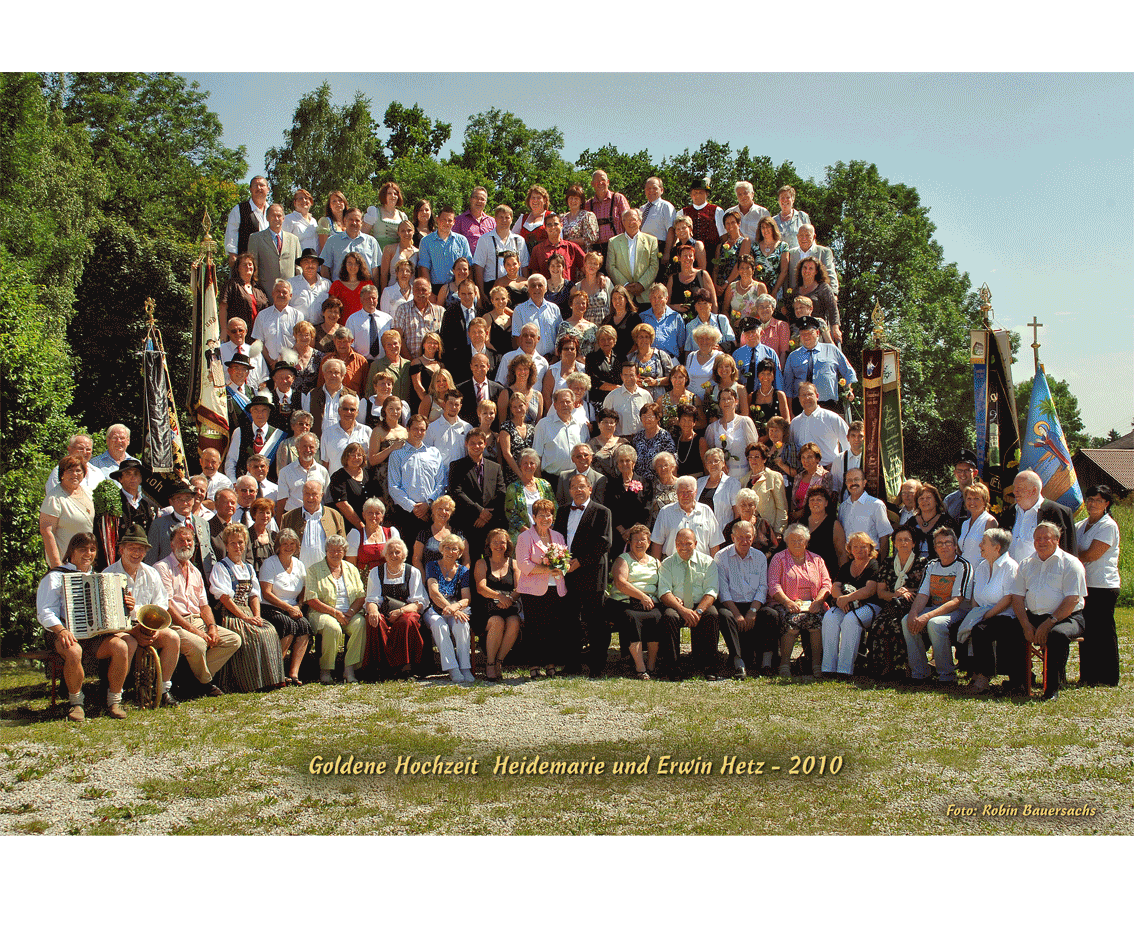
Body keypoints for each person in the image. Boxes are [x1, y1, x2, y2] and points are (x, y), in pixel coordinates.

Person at [37, 533, 134, 720]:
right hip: (61, 634)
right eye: (82, 549)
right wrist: (61, 630)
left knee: (121, 646)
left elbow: (111, 612)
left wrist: (126, 606)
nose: (87, 554)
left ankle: (114, 701)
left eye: (92, 549)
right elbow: (45, 611)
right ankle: (76, 704)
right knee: (73, 651)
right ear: (71, 552)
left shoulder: (99, 576)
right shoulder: (56, 576)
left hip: (94, 636)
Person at [156, 524, 241, 697]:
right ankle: (205, 683)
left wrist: (212, 627)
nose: (186, 544)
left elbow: (204, 606)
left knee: (233, 640)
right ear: (171, 544)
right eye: (181, 540)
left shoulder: (195, 571)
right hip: (174, 624)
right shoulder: (162, 568)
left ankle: (190, 679)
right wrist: (194, 630)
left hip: (198, 621)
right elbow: (167, 606)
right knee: (198, 644)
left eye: (189, 541)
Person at [1007, 521, 1089, 700]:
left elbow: (1072, 600)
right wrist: (1026, 624)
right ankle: (1019, 683)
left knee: (1057, 635)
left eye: (1046, 538)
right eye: (1037, 538)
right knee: (1011, 629)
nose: (1041, 542)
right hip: (1035, 615)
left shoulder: (1070, 563)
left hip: (1067, 617)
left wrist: (1049, 623)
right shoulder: (1027, 563)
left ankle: (1052, 688)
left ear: (1057, 540)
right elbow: (1018, 598)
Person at [103, 525, 181, 706]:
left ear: (146, 552)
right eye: (131, 548)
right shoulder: (108, 574)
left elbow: (161, 605)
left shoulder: (151, 573)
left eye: (140, 549)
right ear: (121, 550)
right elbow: (108, 616)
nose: (136, 553)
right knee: (126, 643)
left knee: (172, 638)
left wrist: (151, 627)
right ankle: (116, 695)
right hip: (121, 629)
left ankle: (163, 690)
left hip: (146, 627)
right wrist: (134, 625)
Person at [210, 523, 285, 692]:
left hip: (248, 611)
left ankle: (270, 679)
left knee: (269, 631)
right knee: (252, 634)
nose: (238, 547)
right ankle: (250, 682)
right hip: (230, 614)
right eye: (233, 543)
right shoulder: (221, 567)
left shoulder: (249, 568)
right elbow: (224, 599)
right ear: (226, 545)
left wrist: (257, 615)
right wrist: (245, 618)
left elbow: (254, 596)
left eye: (241, 542)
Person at [553, 473, 612, 674]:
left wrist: (580, 562)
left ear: (590, 489)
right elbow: (557, 540)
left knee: (595, 621)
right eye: (574, 487)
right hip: (568, 574)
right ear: (569, 491)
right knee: (569, 621)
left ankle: (597, 666)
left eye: (582, 486)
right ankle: (572, 664)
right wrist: (560, 561)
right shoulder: (561, 512)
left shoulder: (602, 512)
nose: (578, 490)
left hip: (591, 573)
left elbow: (603, 542)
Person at [902, 527, 973, 687]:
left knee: (936, 623)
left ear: (955, 546)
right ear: (934, 547)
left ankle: (946, 675)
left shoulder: (963, 566)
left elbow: (957, 601)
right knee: (907, 620)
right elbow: (923, 595)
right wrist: (914, 612)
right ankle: (919, 672)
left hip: (959, 610)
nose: (944, 546)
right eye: (939, 543)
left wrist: (927, 616)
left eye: (948, 542)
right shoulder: (932, 565)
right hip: (936, 608)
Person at [767, 523, 831, 681]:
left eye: (800, 540)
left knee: (817, 622)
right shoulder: (779, 558)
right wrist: (788, 602)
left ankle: (816, 664)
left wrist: (818, 601)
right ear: (787, 541)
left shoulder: (816, 559)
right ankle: (784, 664)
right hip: (787, 604)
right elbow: (773, 585)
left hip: (813, 605)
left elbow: (826, 583)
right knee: (793, 622)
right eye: (793, 539)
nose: (797, 543)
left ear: (806, 542)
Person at [861, 528, 928, 680]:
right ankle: (886, 666)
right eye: (899, 540)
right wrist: (896, 594)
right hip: (891, 604)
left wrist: (908, 590)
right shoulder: (888, 562)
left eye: (907, 539)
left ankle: (909, 666)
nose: (903, 543)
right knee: (880, 625)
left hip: (913, 606)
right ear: (894, 544)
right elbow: (881, 592)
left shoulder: (922, 563)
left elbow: (925, 589)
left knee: (901, 625)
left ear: (913, 543)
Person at [958, 528, 1019, 695]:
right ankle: (974, 672)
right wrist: (976, 614)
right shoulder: (983, 566)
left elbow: (1008, 599)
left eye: (983, 542)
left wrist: (984, 617)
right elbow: (976, 596)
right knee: (967, 627)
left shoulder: (1010, 566)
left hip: (1005, 616)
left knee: (980, 630)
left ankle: (984, 677)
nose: (980, 545)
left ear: (997, 547)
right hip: (983, 613)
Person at [658, 527, 724, 681]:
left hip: (700, 605)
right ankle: (673, 667)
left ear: (695, 543)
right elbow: (664, 591)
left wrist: (699, 611)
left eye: (688, 543)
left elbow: (712, 591)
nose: (684, 547)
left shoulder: (708, 562)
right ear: (675, 544)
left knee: (712, 614)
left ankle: (709, 667)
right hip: (677, 605)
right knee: (669, 616)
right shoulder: (667, 564)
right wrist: (682, 610)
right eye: (680, 543)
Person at [303, 534, 367, 684]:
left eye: (339, 551)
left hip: (348, 612)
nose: (335, 554)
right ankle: (326, 670)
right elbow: (311, 599)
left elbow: (360, 595)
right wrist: (335, 613)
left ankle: (349, 669)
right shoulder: (314, 569)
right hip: (323, 612)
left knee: (360, 624)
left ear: (344, 552)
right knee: (333, 628)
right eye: (332, 550)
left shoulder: (351, 569)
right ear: (326, 551)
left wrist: (350, 612)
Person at [516, 498, 567, 678]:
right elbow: (523, 564)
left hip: (556, 587)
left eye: (549, 514)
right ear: (534, 517)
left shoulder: (558, 536)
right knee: (535, 628)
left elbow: (565, 560)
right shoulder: (525, 537)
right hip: (533, 589)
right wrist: (546, 569)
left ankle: (551, 664)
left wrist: (562, 567)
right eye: (541, 515)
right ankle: (534, 665)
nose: (546, 518)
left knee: (553, 627)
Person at [1076, 485, 1121, 686]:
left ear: (1106, 504)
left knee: (1103, 631)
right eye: (1091, 499)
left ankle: (1108, 676)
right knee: (1087, 632)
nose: (1093, 504)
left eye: (1098, 500)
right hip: (1084, 585)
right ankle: (1088, 675)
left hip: (1103, 586)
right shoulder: (1080, 525)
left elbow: (1093, 555)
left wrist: (1071, 558)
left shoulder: (1108, 526)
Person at [714, 519, 771, 678]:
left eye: (748, 537)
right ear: (732, 538)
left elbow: (762, 587)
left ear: (753, 538)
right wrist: (737, 614)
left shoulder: (760, 557)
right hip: (731, 604)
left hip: (753, 604)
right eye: (740, 537)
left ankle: (766, 662)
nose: (744, 541)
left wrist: (753, 610)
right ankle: (738, 661)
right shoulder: (721, 557)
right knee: (725, 616)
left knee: (771, 615)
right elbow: (723, 590)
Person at [363, 537, 426, 679]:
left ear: (404, 555)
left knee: (407, 621)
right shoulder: (376, 572)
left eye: (397, 552)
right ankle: (381, 668)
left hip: (406, 610)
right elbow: (372, 598)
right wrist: (373, 611)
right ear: (385, 555)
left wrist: (401, 611)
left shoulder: (412, 572)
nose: (394, 555)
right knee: (374, 619)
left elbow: (418, 602)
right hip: (384, 610)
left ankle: (406, 667)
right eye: (390, 552)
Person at [607, 524, 664, 679]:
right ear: (629, 543)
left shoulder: (655, 562)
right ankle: (640, 667)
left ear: (649, 542)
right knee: (632, 618)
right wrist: (642, 596)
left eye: (643, 540)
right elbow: (620, 582)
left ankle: (651, 664)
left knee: (657, 617)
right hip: (624, 602)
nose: (640, 543)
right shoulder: (623, 559)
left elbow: (663, 585)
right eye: (636, 540)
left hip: (650, 603)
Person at [821, 532, 881, 677]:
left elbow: (869, 590)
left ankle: (845, 669)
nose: (859, 550)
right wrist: (841, 599)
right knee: (830, 617)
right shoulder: (846, 566)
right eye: (855, 547)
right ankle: (828, 667)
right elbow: (834, 587)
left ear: (870, 548)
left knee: (850, 620)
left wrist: (846, 598)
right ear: (850, 549)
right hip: (847, 605)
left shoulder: (874, 565)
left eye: (863, 546)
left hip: (870, 605)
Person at [386, 414, 446, 545]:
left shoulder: (434, 453)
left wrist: (428, 504)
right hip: (407, 514)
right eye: (415, 429)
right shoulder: (397, 455)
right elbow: (394, 486)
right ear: (407, 429)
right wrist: (414, 508)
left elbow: (441, 483)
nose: (419, 433)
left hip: (432, 513)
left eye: (422, 430)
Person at [448, 429, 506, 564]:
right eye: (472, 443)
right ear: (466, 444)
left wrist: (487, 515)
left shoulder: (495, 467)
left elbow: (501, 492)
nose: (476, 446)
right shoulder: (456, 466)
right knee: (470, 561)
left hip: (490, 523)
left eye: (480, 443)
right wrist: (479, 511)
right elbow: (456, 492)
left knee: (491, 561)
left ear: (485, 444)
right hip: (468, 522)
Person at [424, 534, 475, 683]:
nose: (450, 551)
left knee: (462, 624)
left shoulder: (463, 571)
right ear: (441, 549)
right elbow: (434, 593)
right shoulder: (432, 566)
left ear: (460, 553)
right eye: (447, 547)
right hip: (435, 609)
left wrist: (455, 607)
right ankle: (452, 669)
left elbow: (466, 598)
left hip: (454, 608)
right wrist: (451, 608)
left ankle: (465, 668)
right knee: (440, 626)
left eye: (455, 549)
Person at [1001, 469, 1076, 562]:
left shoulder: (1057, 512)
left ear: (1034, 490)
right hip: (1011, 573)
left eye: (1019, 488)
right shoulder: (1009, 512)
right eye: (1014, 488)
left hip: (1041, 574)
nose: (1014, 492)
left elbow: (1068, 551)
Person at [146, 481, 216, 579]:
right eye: (179, 499)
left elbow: (210, 554)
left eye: (188, 498)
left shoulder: (203, 523)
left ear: (193, 500)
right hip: (171, 579)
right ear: (171, 502)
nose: (184, 503)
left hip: (201, 579)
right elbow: (151, 557)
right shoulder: (159, 525)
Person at [784, 319, 856, 414]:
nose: (806, 337)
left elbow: (849, 372)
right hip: (801, 406)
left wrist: (849, 389)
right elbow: (788, 387)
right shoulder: (793, 356)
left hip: (827, 404)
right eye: (803, 334)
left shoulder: (831, 350)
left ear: (817, 333)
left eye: (810, 333)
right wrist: (790, 413)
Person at [39, 455, 95, 569]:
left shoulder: (89, 493)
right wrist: (57, 565)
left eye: (78, 471)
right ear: (62, 474)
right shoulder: (54, 498)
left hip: (85, 562)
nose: (75, 474)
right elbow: (47, 532)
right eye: (70, 471)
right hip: (65, 563)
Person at [281, 479, 347, 570]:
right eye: (307, 494)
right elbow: (282, 548)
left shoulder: (335, 516)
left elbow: (342, 547)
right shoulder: (289, 517)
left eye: (314, 494)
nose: (310, 498)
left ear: (321, 495)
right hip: (297, 572)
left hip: (326, 572)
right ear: (302, 495)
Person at [651, 475, 723, 558]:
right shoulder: (665, 512)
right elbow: (657, 543)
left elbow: (714, 544)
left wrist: (714, 567)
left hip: (702, 566)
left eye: (689, 492)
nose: (685, 496)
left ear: (696, 492)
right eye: (681, 492)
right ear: (676, 493)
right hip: (672, 566)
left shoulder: (706, 511)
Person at [600, 444, 652, 558]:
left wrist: (633, 531)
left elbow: (647, 509)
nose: (624, 464)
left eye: (627, 460)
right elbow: (609, 509)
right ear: (617, 464)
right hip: (618, 535)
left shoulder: (645, 482)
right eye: (621, 461)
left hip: (639, 534)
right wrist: (623, 531)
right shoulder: (611, 484)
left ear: (633, 463)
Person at [789, 381, 850, 470]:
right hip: (804, 474)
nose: (807, 398)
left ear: (817, 396)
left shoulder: (831, 418)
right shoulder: (795, 423)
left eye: (810, 394)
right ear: (799, 398)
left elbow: (848, 444)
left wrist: (840, 465)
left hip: (829, 471)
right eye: (803, 395)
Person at [606, 208, 659, 308]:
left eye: (634, 219)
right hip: (624, 296)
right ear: (623, 222)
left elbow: (654, 266)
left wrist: (641, 284)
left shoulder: (651, 240)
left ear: (640, 221)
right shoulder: (613, 242)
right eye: (627, 220)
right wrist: (625, 285)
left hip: (645, 295)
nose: (631, 222)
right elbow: (610, 266)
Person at [838, 468, 894, 558]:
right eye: (849, 480)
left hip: (871, 558)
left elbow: (884, 537)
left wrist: (881, 564)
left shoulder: (876, 505)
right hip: (850, 560)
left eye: (856, 479)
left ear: (864, 483)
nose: (853, 483)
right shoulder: (843, 507)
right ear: (846, 484)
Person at [705, 387, 759, 480]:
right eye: (723, 399)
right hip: (722, 477)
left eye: (730, 398)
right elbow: (709, 454)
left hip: (743, 475)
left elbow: (753, 448)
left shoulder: (745, 422)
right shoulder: (712, 428)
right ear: (719, 403)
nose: (726, 402)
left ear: (736, 401)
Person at [473, 204, 529, 291]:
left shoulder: (519, 240)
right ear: (495, 219)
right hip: (492, 286)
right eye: (501, 217)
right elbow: (479, 267)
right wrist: (481, 292)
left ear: (511, 220)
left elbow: (524, 266)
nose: (504, 220)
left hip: (516, 287)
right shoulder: (484, 240)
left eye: (507, 217)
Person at [504, 448, 555, 542]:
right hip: (522, 536)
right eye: (525, 463)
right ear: (520, 465)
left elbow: (554, 508)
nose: (528, 466)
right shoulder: (512, 488)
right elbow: (511, 514)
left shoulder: (545, 485)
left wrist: (546, 529)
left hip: (545, 534)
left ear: (536, 465)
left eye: (532, 463)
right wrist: (530, 533)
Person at [741, 444, 788, 544]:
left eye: (757, 457)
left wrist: (778, 531)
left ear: (764, 459)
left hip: (769, 532)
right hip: (749, 532)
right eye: (750, 457)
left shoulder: (773, 476)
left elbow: (782, 507)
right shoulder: (744, 480)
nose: (753, 460)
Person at [320, 207, 380, 282]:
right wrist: (329, 288)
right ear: (345, 221)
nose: (354, 223)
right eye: (351, 220)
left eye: (357, 220)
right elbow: (325, 266)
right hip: (340, 289)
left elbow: (375, 269)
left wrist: (376, 290)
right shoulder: (332, 241)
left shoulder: (371, 241)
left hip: (365, 290)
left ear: (361, 222)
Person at [346, 498, 401, 581]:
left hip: (387, 580)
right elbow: (351, 566)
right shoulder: (355, 535)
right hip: (363, 581)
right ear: (363, 515)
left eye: (377, 513)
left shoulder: (391, 532)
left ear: (382, 517)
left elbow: (398, 561)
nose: (374, 516)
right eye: (370, 513)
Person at [248, 202, 301, 286]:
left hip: (289, 291)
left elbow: (298, 268)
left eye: (279, 216)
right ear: (267, 218)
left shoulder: (294, 239)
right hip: (265, 291)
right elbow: (253, 267)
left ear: (283, 218)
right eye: (273, 215)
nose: (276, 218)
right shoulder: (255, 238)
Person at [792, 257, 841, 345]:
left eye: (811, 268)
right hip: (800, 332)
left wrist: (835, 328)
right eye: (805, 268)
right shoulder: (796, 290)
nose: (807, 271)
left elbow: (832, 309)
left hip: (820, 331)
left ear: (816, 271)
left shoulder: (823, 287)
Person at [224, 175, 270, 264]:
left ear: (268, 189)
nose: (259, 188)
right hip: (246, 263)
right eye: (255, 185)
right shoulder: (239, 209)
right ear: (250, 189)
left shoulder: (272, 211)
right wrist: (232, 254)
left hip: (268, 261)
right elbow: (231, 233)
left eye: (262, 185)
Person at [675, 177, 724, 262]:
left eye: (701, 193)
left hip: (712, 255)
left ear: (707, 194)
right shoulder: (682, 212)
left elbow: (723, 236)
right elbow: (677, 235)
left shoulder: (717, 211)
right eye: (695, 193)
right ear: (690, 195)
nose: (697, 195)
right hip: (688, 256)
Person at [787, 223, 839, 296]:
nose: (804, 238)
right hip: (796, 297)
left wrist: (834, 293)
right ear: (797, 237)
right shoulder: (790, 253)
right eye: (801, 235)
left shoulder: (824, 252)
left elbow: (830, 273)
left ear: (814, 236)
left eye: (807, 235)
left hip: (818, 296)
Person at [696, 448, 741, 532]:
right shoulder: (699, 482)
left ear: (723, 463)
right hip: (701, 531)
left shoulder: (733, 483)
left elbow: (737, 513)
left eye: (716, 461)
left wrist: (732, 533)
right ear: (706, 465)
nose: (713, 464)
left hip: (723, 532)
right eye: (709, 462)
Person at [711, 209, 752, 298]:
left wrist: (726, 283)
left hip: (735, 284)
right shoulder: (721, 245)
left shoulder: (745, 241)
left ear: (738, 223)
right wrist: (715, 285)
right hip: (720, 287)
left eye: (733, 222)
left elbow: (740, 265)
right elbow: (716, 267)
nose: (730, 226)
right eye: (727, 223)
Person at [668, 244, 717, 318]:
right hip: (677, 321)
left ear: (694, 258)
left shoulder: (702, 275)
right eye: (685, 256)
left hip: (700, 320)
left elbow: (713, 301)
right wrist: (675, 307)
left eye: (690, 256)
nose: (688, 258)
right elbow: (665, 304)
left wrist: (714, 320)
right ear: (679, 258)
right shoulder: (673, 278)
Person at [957, 481, 997, 566]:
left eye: (976, 499)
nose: (972, 502)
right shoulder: (965, 524)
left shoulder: (989, 521)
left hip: (981, 573)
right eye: (969, 499)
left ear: (984, 501)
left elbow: (992, 553)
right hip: (965, 572)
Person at [906, 483, 948, 560]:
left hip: (940, 566)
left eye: (928, 497)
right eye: (921, 498)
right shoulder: (911, 523)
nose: (925, 501)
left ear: (936, 501)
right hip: (913, 565)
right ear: (917, 503)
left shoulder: (946, 522)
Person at [363, 181, 409, 249]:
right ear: (384, 195)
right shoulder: (375, 212)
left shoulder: (402, 216)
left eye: (395, 194)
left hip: (397, 254)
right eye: (389, 193)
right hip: (379, 253)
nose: (393, 196)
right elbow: (363, 235)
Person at [328, 252, 373, 318]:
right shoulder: (336, 285)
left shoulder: (367, 284)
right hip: (343, 325)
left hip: (363, 324)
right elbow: (332, 308)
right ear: (345, 265)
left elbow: (372, 305)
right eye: (350, 263)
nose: (353, 266)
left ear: (360, 265)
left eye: (356, 264)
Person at [511, 185, 552, 251]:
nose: (535, 200)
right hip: (524, 258)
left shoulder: (550, 216)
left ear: (544, 200)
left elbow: (557, 238)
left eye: (538, 198)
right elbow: (512, 238)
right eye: (533, 197)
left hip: (544, 257)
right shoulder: (522, 218)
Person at [562, 184, 599, 253]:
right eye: (571, 198)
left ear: (581, 201)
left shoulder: (587, 216)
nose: (573, 201)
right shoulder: (562, 218)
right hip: (565, 254)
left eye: (576, 199)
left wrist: (569, 242)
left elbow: (592, 238)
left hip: (582, 254)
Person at [638, 176, 676, 244]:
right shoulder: (642, 209)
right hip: (642, 245)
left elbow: (671, 231)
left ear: (661, 190)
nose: (651, 191)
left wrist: (667, 253)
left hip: (659, 246)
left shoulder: (666, 207)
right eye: (648, 188)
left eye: (655, 188)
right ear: (645, 191)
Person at [671, 404, 705, 480]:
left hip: (698, 481)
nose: (686, 424)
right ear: (679, 421)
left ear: (694, 422)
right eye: (684, 420)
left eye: (690, 420)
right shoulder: (675, 440)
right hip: (680, 482)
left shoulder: (700, 441)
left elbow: (706, 465)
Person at [772, 185, 810, 251]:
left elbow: (811, 238)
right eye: (782, 198)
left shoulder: (802, 216)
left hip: (798, 257)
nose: (785, 200)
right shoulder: (773, 220)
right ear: (778, 200)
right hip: (780, 258)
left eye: (788, 197)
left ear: (793, 199)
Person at [283, 189, 320, 254]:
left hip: (314, 260)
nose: (304, 200)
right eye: (300, 198)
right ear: (295, 203)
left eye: (306, 198)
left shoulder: (314, 221)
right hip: (298, 260)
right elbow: (284, 243)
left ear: (311, 202)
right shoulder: (288, 219)